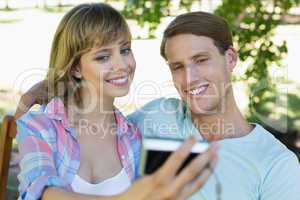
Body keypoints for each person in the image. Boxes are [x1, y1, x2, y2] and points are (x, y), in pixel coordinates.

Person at [14, 4, 218, 200]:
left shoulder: (133, 137)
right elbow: (39, 191)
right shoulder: (39, 126)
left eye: (125, 49)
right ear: (75, 68)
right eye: (103, 57)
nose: (122, 65)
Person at [128, 11, 300, 200]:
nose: (189, 79)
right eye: (178, 67)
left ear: (231, 58)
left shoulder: (277, 164)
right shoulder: (156, 116)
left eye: (201, 60)